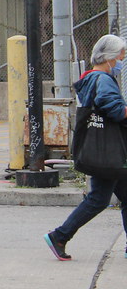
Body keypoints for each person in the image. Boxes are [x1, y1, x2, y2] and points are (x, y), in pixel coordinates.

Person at [45, 34, 127, 261]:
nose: (122, 61)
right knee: (98, 199)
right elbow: (115, 109)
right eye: (121, 56)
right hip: (109, 152)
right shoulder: (104, 80)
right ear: (109, 58)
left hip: (105, 149)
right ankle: (59, 236)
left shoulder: (90, 78)